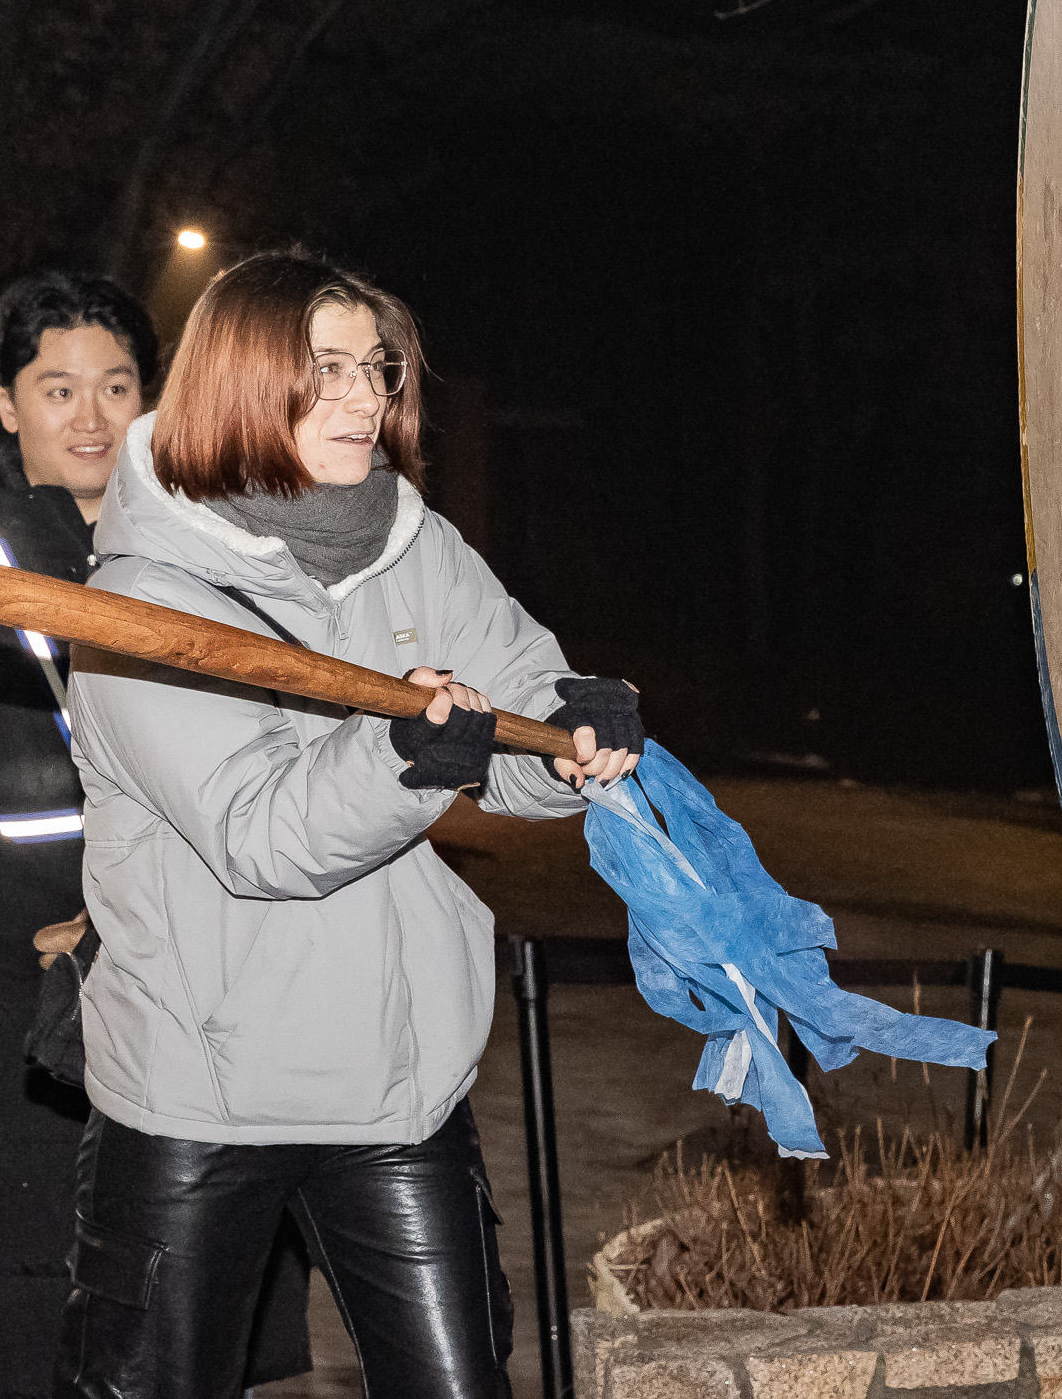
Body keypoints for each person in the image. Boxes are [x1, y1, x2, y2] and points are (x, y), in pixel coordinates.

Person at [58, 249, 643, 1396]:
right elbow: (259, 834)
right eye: (325, 369)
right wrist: (404, 755)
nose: (366, 396)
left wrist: (574, 736)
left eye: (376, 368)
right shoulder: (137, 602)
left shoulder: (414, 547)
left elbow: (516, 725)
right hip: (198, 1087)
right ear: (239, 379)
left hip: (391, 1076)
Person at [0, 273, 308, 1398]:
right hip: (19, 1000)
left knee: (188, 1322)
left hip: (200, 990)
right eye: (57, 387)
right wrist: (46, 926)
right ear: (7, 403)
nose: (90, 414)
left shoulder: (213, 560)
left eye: (115, 384)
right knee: (16, 1322)